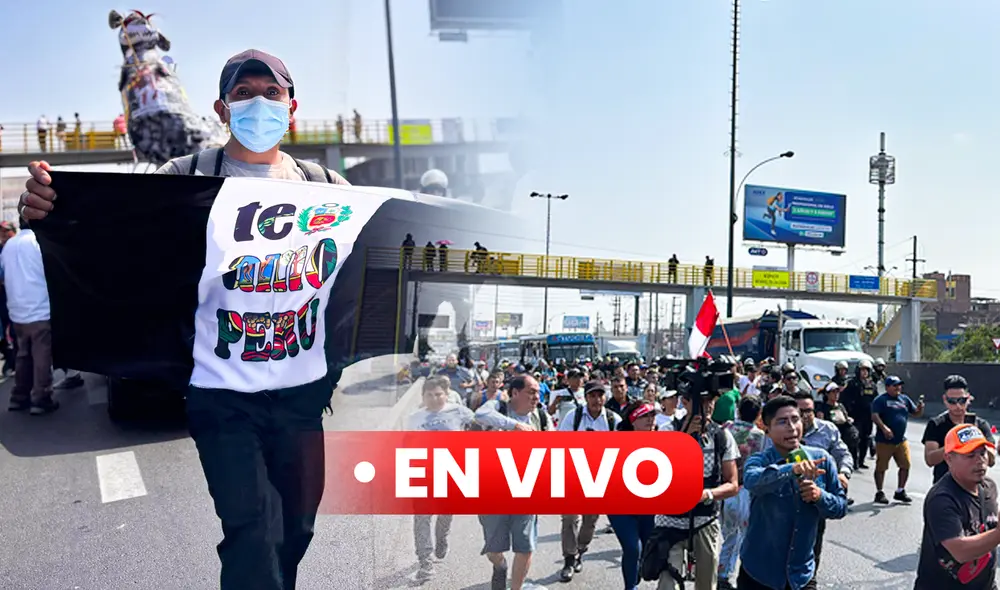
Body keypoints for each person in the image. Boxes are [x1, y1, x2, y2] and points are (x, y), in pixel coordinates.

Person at [20, 49, 349, 590]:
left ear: (293, 107)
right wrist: (45, 207)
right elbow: (119, 232)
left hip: (300, 397)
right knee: (251, 529)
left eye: (272, 93)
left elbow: (374, 263)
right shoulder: (185, 176)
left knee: (296, 530)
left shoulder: (327, 187)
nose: (258, 103)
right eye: (243, 94)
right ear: (221, 110)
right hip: (220, 396)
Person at [739, 395, 848, 589]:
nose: (791, 427)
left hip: (801, 575)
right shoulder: (759, 461)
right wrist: (792, 469)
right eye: (782, 422)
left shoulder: (821, 459)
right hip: (759, 574)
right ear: (767, 429)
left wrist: (819, 496)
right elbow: (752, 481)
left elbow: (840, 507)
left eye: (795, 419)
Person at [648, 385, 739, 590]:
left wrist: (706, 493)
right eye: (703, 400)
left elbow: (732, 485)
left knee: (707, 583)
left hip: (705, 518)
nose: (708, 406)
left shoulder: (721, 435)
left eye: (711, 400)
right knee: (667, 584)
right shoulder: (667, 431)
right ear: (686, 402)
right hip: (669, 520)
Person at [474, 375, 550, 590]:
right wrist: (514, 425)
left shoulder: (542, 417)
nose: (537, 396)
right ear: (515, 393)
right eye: (531, 391)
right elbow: (480, 414)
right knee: (493, 549)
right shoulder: (497, 406)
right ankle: (500, 565)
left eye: (537, 392)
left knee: (525, 546)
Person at [406, 376, 476, 583]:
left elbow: (478, 428)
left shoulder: (459, 411)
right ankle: (425, 563)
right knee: (421, 518)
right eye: (429, 395)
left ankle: (442, 537)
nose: (434, 399)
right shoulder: (414, 418)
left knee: (446, 513)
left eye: (439, 394)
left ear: (446, 395)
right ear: (423, 397)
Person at [915, 424, 1000, 590]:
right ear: (949, 458)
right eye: (970, 455)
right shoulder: (942, 498)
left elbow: (990, 527)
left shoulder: (988, 487)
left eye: (982, 453)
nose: (980, 460)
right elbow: (960, 551)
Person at [557, 380, 620, 581]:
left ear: (605, 397)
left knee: (590, 519)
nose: (596, 399)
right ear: (586, 398)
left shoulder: (613, 420)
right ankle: (568, 559)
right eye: (592, 395)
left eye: (600, 395)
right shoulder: (573, 417)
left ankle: (580, 551)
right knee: (568, 518)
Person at [2, 218, 56, 415]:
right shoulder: (38, 242)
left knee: (23, 354)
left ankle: (19, 395)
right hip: (39, 308)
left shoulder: (9, 245)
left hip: (17, 310)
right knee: (41, 355)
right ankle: (41, 397)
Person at [609, 400, 659, 590]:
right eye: (644, 416)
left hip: (648, 506)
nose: (650, 419)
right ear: (633, 421)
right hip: (620, 506)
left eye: (652, 415)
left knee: (647, 548)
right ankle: (630, 587)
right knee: (632, 548)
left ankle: (634, 573)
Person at [718, 395, 765, 589]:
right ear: (758, 414)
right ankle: (742, 574)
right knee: (746, 534)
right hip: (746, 488)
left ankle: (722, 573)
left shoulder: (726, 429)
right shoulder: (759, 435)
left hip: (726, 486)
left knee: (728, 534)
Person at [923, 375, 996, 484]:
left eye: (962, 400)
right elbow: (930, 459)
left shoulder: (980, 425)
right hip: (945, 486)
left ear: (969, 398)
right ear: (944, 400)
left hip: (974, 486)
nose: (957, 406)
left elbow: (991, 460)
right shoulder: (936, 424)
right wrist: (955, 442)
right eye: (952, 401)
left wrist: (976, 440)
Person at [871, 375, 924, 504]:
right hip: (884, 440)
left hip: (901, 440)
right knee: (881, 467)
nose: (898, 388)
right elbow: (874, 415)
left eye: (899, 385)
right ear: (888, 387)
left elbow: (915, 413)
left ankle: (900, 491)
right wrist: (884, 428)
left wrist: (920, 409)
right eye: (895, 385)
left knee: (905, 464)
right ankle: (879, 492)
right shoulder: (881, 400)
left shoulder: (904, 399)